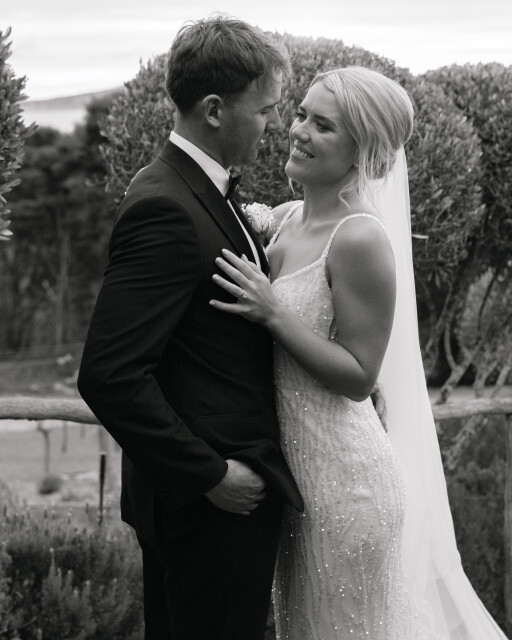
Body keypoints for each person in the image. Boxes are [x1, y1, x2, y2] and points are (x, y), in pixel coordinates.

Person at [211, 67, 508, 639]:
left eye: (323, 126)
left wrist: (273, 313)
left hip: (347, 489)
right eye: (301, 114)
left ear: (363, 152)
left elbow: (358, 375)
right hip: (298, 486)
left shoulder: (360, 237)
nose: (299, 131)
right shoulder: (286, 220)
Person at [77, 16, 304, 640]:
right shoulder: (166, 206)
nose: (272, 124)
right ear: (214, 110)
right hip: (208, 508)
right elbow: (109, 374)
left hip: (213, 504)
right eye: (264, 110)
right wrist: (209, 475)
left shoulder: (194, 188)